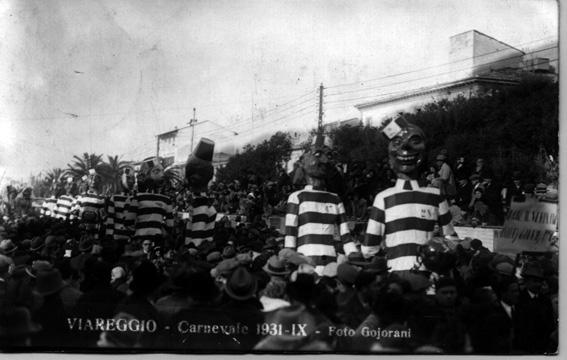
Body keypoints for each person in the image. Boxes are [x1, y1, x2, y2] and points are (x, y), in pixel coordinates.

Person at [363, 118, 457, 279]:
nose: (405, 147)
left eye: (413, 141)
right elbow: (451, 239)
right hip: (429, 277)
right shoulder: (435, 195)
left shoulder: (383, 198)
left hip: (396, 276)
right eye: (398, 142)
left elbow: (368, 248)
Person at [284, 134, 357, 274]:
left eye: (328, 156)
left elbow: (346, 236)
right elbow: (290, 237)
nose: (324, 160)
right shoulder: (297, 197)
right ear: (304, 161)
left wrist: (354, 254)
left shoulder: (335, 199)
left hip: (330, 265)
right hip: (305, 263)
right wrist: (290, 263)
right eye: (317, 154)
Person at [184, 138, 217, 249]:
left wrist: (192, 249)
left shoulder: (200, 204)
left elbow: (197, 233)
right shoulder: (203, 203)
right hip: (202, 247)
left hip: (197, 249)